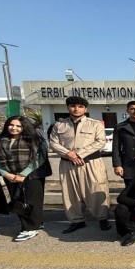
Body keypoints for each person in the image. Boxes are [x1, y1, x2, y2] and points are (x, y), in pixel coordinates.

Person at [49, 96, 112, 233]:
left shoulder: (95, 124)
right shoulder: (59, 125)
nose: (76, 109)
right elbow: (53, 143)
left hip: (91, 163)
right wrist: (68, 154)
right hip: (68, 164)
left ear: (85, 108)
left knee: (96, 189)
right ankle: (77, 220)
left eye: (80, 106)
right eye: (73, 106)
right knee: (70, 193)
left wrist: (79, 154)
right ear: (67, 107)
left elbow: (100, 142)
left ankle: (103, 218)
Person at [0, 115, 52, 241]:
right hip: (10, 175)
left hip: (32, 174)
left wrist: (23, 174)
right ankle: (32, 224)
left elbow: (40, 158)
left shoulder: (35, 139)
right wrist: (5, 174)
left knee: (33, 201)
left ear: (25, 127)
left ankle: (30, 228)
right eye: (11, 125)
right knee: (18, 201)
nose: (14, 128)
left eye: (18, 126)